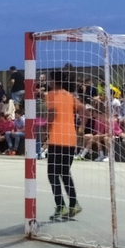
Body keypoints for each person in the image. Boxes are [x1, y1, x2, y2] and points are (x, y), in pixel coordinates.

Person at [46, 70, 85, 220]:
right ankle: (73, 204)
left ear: (53, 81)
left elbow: (51, 115)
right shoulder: (70, 96)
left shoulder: (51, 95)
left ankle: (61, 206)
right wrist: (81, 128)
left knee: (52, 174)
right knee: (65, 172)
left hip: (57, 138)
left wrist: (45, 132)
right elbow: (83, 110)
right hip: (71, 138)